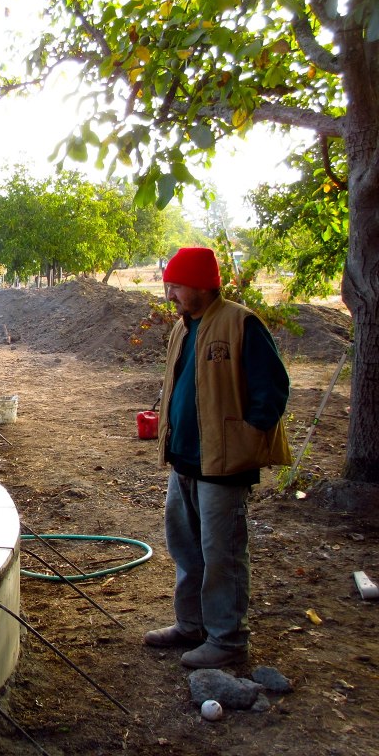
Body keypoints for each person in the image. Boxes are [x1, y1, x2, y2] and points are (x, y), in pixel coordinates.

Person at [144, 247, 291, 669]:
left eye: (177, 286)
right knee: (186, 550)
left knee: (221, 553)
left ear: (202, 285)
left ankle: (226, 639)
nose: (170, 294)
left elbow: (273, 387)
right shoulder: (184, 328)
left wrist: (247, 434)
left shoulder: (240, 322)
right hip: (184, 461)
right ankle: (191, 625)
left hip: (223, 465)